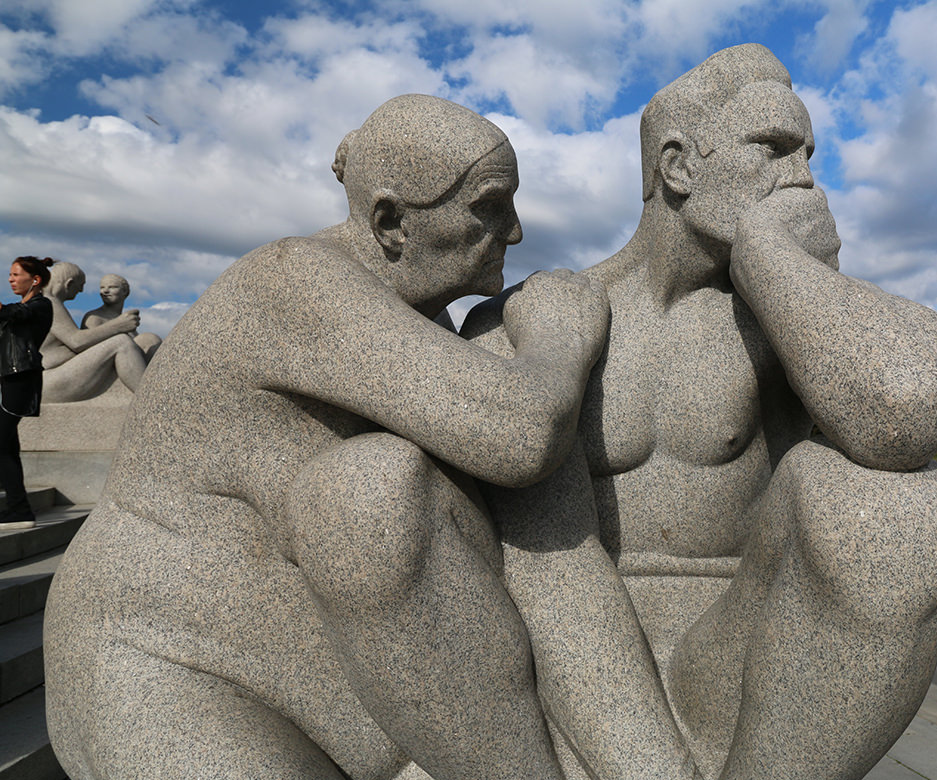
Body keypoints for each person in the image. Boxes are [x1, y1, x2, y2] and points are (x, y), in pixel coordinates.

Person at [44, 94, 609, 780]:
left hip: (316, 673)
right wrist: (559, 334)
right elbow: (520, 434)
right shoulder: (293, 280)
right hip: (174, 659)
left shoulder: (411, 322)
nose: (514, 232)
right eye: (490, 206)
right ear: (392, 221)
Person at [465, 44, 937, 780]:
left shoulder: (787, 317)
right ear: (678, 167)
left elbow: (907, 413)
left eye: (810, 155)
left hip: (733, 652)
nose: (801, 180)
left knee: (906, 510)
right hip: (564, 658)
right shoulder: (538, 317)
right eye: (772, 149)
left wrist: (773, 257)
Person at [40, 262, 149, 401]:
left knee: (148, 339)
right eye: (80, 287)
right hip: (47, 382)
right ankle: (150, 401)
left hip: (53, 377)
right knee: (121, 342)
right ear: (69, 283)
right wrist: (118, 325)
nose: (81, 292)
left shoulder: (50, 302)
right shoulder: (48, 303)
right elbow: (76, 341)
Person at [0, 256, 54, 529]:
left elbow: (18, 314)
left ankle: (19, 509)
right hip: (8, 380)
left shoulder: (40, 305)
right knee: (7, 446)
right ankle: (19, 510)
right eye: (9, 274)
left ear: (35, 280)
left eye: (15, 274)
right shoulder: (19, 309)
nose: (10, 279)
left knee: (2, 443)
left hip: (21, 380)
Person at [81, 273, 162, 362]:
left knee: (150, 340)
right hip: (107, 365)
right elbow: (89, 353)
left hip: (129, 363)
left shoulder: (126, 321)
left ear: (124, 291)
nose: (105, 291)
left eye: (112, 287)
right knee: (148, 338)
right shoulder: (94, 317)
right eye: (102, 287)